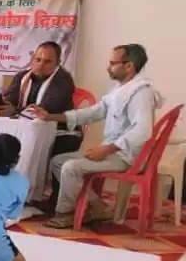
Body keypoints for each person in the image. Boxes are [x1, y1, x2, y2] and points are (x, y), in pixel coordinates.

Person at [30, 44, 160, 229]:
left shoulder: (141, 93)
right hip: (112, 151)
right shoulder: (120, 88)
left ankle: (64, 214)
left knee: (71, 167)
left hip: (126, 156)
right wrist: (51, 116)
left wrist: (107, 149)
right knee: (58, 161)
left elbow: (142, 130)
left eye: (113, 63)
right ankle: (97, 206)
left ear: (129, 66)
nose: (108, 67)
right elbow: (95, 112)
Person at [0, 41, 80, 158]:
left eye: (47, 61)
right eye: (38, 59)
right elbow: (11, 99)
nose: (41, 65)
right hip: (27, 128)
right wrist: (3, 107)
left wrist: (14, 111)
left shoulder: (63, 80)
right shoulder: (21, 76)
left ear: (58, 63)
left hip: (62, 133)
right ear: (32, 59)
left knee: (29, 149)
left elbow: (42, 110)